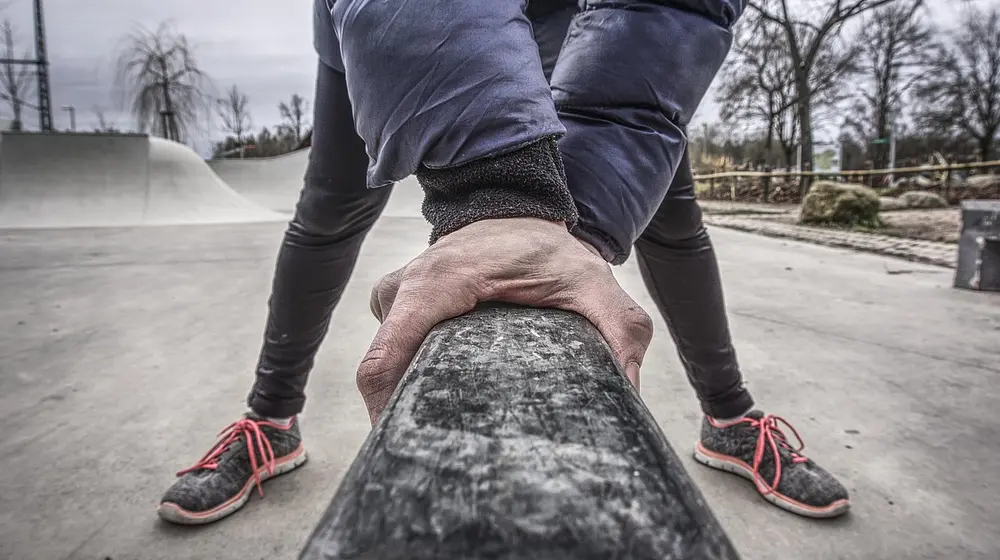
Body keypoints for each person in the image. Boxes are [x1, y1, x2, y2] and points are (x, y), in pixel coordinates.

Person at [157, 0, 850, 526]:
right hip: (370, 17)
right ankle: (271, 420)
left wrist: (567, 227)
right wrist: (493, 189)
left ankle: (728, 417)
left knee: (669, 213)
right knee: (332, 208)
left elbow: (672, 11)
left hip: (574, 17)